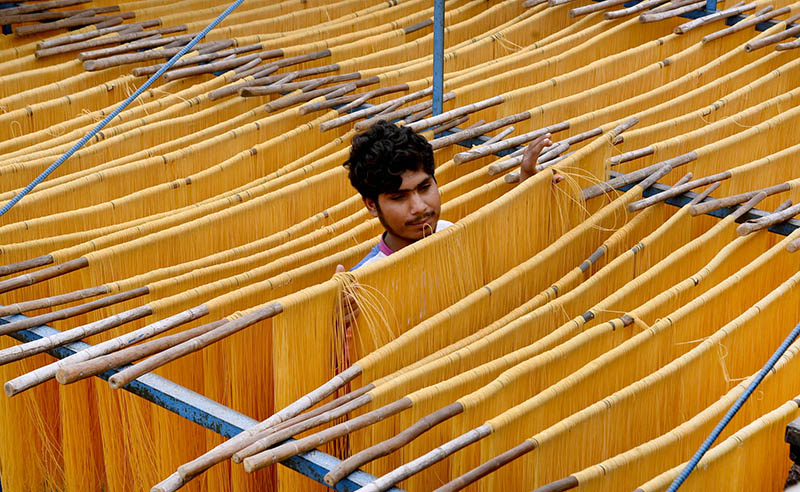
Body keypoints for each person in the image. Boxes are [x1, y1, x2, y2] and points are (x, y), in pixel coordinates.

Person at [337, 120, 558, 272]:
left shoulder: (448, 232)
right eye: (399, 197)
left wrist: (530, 186)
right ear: (371, 205)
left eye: (424, 188)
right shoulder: (366, 280)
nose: (419, 207)